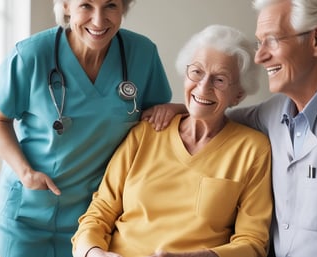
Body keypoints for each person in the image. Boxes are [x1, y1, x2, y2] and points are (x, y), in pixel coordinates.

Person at [0, 0, 184, 256]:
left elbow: (154, 124)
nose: (98, 21)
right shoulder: (31, 55)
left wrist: (177, 109)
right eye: (86, 5)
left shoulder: (142, 54)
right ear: (65, 6)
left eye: (110, 6)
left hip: (93, 220)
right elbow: (0, 119)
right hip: (27, 214)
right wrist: (25, 172)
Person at [71, 24, 273, 257]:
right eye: (196, 72)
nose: (203, 87)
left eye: (219, 80)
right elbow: (100, 211)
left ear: (238, 95)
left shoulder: (253, 150)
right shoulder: (146, 132)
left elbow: (253, 242)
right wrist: (93, 252)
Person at [227, 0, 317, 256]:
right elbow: (218, 121)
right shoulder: (271, 112)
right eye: (258, 43)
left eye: (272, 40)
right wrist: (177, 110)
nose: (260, 57)